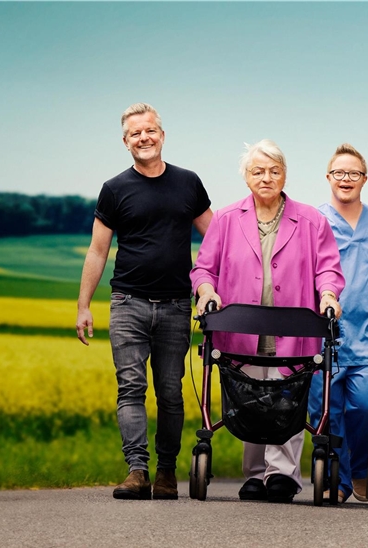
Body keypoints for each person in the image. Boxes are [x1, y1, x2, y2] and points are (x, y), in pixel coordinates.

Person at [191, 139, 344, 504]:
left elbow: (328, 269)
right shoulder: (227, 219)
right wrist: (207, 291)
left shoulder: (310, 220)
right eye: (258, 171)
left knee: (284, 403)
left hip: (292, 332)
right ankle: (255, 474)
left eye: (274, 171)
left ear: (285, 176)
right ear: (246, 177)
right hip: (242, 331)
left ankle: (282, 475)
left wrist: (328, 296)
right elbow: (203, 269)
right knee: (249, 402)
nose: (266, 178)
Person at [76, 103, 213, 500]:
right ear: (125, 142)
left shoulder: (188, 183)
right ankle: (137, 470)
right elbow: (97, 251)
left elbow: (217, 237)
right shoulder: (115, 188)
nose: (144, 138)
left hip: (174, 305)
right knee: (130, 387)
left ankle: (167, 472)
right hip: (128, 303)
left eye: (150, 130)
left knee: (170, 391)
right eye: (135, 133)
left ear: (162, 135)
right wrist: (84, 305)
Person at [307, 143, 368, 504]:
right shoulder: (314, 220)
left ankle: (360, 469)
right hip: (322, 331)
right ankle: (338, 479)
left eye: (354, 173)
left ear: (365, 179)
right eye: (339, 173)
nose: (346, 179)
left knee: (364, 406)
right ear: (328, 178)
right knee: (326, 410)